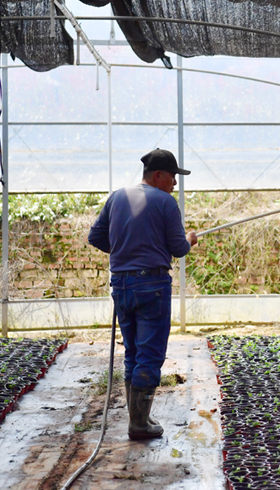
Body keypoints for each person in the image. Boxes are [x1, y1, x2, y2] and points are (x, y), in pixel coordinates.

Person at [88, 148, 198, 440]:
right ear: (158, 175)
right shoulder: (165, 203)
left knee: (133, 354)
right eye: (173, 177)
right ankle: (139, 423)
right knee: (149, 355)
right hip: (152, 287)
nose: (175, 183)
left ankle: (138, 419)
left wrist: (126, 249)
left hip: (122, 285)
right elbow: (178, 249)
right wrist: (190, 241)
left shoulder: (117, 197)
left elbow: (95, 237)